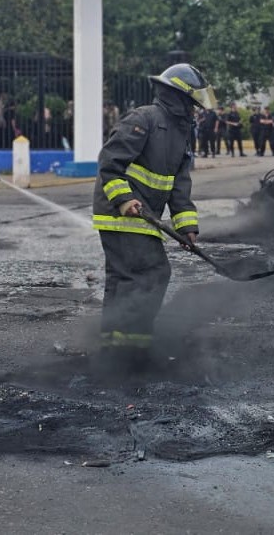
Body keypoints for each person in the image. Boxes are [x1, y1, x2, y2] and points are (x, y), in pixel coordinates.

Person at [91, 62, 216, 373]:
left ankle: (116, 349)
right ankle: (131, 350)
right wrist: (123, 199)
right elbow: (109, 164)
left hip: (144, 214)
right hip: (121, 212)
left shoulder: (183, 132)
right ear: (179, 96)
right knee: (152, 273)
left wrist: (187, 227)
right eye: (192, 102)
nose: (196, 109)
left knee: (125, 280)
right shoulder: (144, 119)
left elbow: (179, 186)